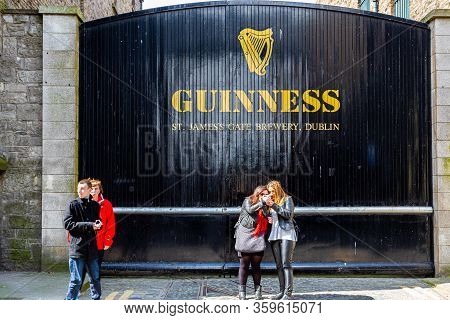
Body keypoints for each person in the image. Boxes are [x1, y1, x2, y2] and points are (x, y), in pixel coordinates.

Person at [63, 179, 102, 300]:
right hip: (77, 249)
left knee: (95, 278)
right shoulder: (72, 204)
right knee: (76, 280)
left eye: (83, 188)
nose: (80, 191)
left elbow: (97, 220)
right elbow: (68, 225)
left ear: (90, 190)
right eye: (78, 188)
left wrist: (99, 224)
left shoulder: (95, 205)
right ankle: (70, 301)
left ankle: (96, 299)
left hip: (92, 249)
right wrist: (90, 225)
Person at [234, 185, 271, 300]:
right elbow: (250, 210)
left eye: (266, 195)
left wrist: (266, 204)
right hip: (245, 234)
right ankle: (242, 293)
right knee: (244, 265)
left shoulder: (264, 204)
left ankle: (257, 293)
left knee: (256, 266)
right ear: (257, 194)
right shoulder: (248, 200)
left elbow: (266, 215)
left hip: (258, 234)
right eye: (262, 194)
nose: (264, 197)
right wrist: (261, 202)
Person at [80, 178, 116, 286]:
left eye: (96, 189)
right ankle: (77, 290)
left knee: (95, 268)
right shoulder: (81, 203)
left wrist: (108, 240)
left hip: (99, 243)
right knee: (81, 268)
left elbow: (111, 224)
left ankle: (96, 292)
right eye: (91, 189)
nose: (93, 191)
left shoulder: (106, 204)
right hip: (84, 242)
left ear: (100, 190)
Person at [266, 180, 297, 300]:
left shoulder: (287, 199)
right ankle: (281, 291)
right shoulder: (272, 202)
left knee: (286, 264)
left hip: (287, 234)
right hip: (275, 235)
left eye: (273, 191)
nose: (271, 193)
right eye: (269, 192)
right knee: (279, 265)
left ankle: (288, 293)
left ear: (278, 189)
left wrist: (273, 205)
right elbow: (274, 216)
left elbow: (288, 214)